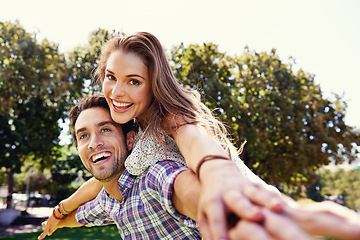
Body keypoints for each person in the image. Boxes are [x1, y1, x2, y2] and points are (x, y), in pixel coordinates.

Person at [39, 95, 360, 240]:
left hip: (243, 191)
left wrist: (223, 216)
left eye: (106, 129)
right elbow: (83, 213)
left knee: (301, 215)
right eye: (83, 135)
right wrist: (56, 222)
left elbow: (185, 189)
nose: (94, 141)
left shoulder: (154, 171)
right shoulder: (109, 201)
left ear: (131, 138)